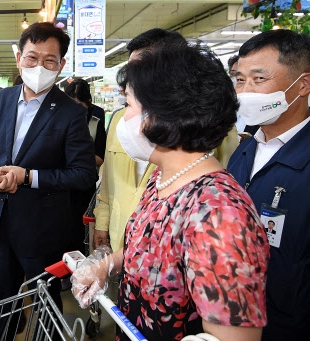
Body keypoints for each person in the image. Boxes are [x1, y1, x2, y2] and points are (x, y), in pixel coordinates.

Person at [72, 43, 269, 341]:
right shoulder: (165, 177)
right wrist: (106, 266)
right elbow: (150, 250)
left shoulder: (219, 213)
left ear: (162, 114)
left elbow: (234, 336)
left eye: (129, 105)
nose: (123, 119)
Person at [0, 22, 96, 337]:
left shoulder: (70, 113)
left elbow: (83, 174)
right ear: (18, 59)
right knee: (2, 303)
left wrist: (28, 176)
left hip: (43, 230)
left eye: (49, 60)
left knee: (47, 307)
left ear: (61, 66)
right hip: (1, 223)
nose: (39, 66)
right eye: (31, 58)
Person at [93, 28, 239, 252]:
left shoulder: (217, 211)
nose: (127, 114)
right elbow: (109, 183)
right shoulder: (159, 179)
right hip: (125, 241)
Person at [229, 29, 310, 340]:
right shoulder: (245, 149)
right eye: (240, 79)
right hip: (235, 315)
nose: (245, 91)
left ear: (303, 84)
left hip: (289, 324)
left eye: (258, 79)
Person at [64, 78, 106, 255]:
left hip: (84, 184)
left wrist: (74, 155)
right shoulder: (59, 117)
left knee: (79, 231)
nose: (75, 111)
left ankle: (79, 269)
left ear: (88, 102)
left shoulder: (96, 119)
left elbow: (99, 157)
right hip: (61, 185)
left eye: (79, 106)